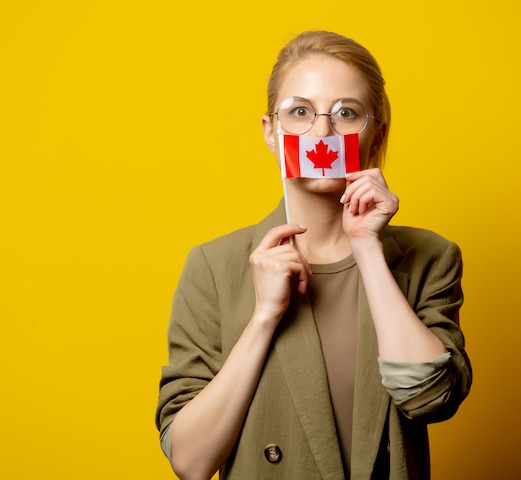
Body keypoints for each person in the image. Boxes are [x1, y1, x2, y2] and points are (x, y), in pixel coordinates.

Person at [156, 30, 472, 480]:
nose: (321, 132)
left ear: (375, 134)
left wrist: (367, 247)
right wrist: (265, 315)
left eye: (346, 113)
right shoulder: (214, 265)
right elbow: (190, 462)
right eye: (300, 112)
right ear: (271, 132)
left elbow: (429, 398)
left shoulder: (430, 257)